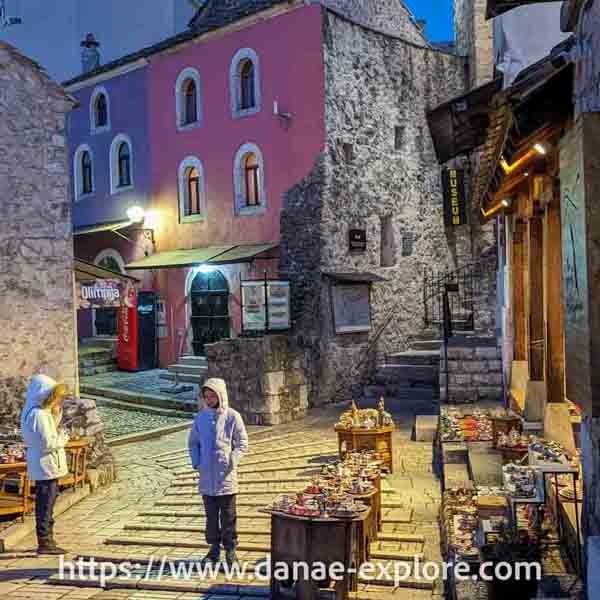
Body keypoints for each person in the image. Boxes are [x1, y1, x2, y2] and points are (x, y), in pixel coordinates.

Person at [188, 378, 248, 567]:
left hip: (226, 477)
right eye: (206, 396)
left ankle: (230, 551)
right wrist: (197, 463)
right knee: (211, 517)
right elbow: (193, 443)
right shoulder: (201, 418)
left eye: (213, 395)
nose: (209, 399)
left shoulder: (232, 416)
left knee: (229, 517)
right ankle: (214, 549)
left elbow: (242, 442)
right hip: (207, 478)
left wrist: (233, 459)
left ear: (221, 395)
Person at [20, 374, 71, 555]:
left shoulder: (33, 411)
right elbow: (48, 443)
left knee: (46, 502)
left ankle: (47, 539)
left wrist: (56, 418)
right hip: (45, 464)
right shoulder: (39, 415)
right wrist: (64, 437)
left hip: (43, 463)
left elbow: (44, 435)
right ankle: (45, 541)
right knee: (45, 504)